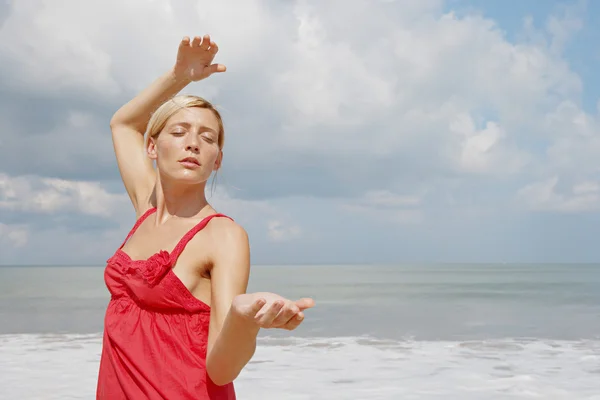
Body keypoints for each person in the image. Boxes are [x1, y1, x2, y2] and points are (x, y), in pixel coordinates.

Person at [96, 34, 315, 400]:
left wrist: (243, 320)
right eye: (179, 132)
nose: (193, 143)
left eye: (208, 138)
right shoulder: (145, 206)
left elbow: (222, 369)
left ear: (218, 160)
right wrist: (180, 75)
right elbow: (122, 124)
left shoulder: (223, 235)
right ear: (152, 146)